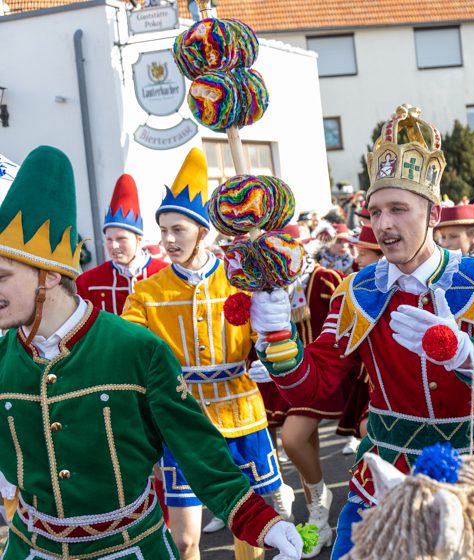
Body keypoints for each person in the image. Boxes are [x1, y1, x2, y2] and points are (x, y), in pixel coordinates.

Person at [249, 104, 474, 560]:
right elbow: (318, 387)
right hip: (384, 477)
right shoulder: (356, 292)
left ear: (433, 213)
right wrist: (279, 341)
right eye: (375, 211)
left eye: (398, 209)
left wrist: (468, 354)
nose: (384, 224)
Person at [0, 146, 302, 559]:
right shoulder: (3, 357)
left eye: (2, 275)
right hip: (29, 549)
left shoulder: (135, 349)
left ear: (50, 275)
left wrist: (261, 521)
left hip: (131, 549)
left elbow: (199, 451)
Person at [122, 148, 292, 560]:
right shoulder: (147, 291)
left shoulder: (241, 280)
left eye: (178, 230)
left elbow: (269, 337)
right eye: (163, 231)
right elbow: (129, 346)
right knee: (184, 541)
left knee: (251, 530)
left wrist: (272, 351)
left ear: (204, 232)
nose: (167, 240)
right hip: (185, 420)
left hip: (242, 413)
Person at [252, 222, 346, 558]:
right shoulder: (269, 286)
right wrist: (261, 355)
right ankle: (318, 519)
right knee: (304, 445)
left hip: (320, 374)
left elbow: (336, 332)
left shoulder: (325, 279)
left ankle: (321, 500)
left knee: (292, 439)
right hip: (286, 376)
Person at [76, 174, 169, 313]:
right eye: (109, 239)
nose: (113, 246)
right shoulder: (88, 282)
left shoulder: (165, 274)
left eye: (121, 239)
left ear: (138, 239)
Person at [336, 225, 383, 456]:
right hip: (368, 374)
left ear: (380, 254)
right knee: (367, 428)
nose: (357, 259)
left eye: (363, 254)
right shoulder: (354, 288)